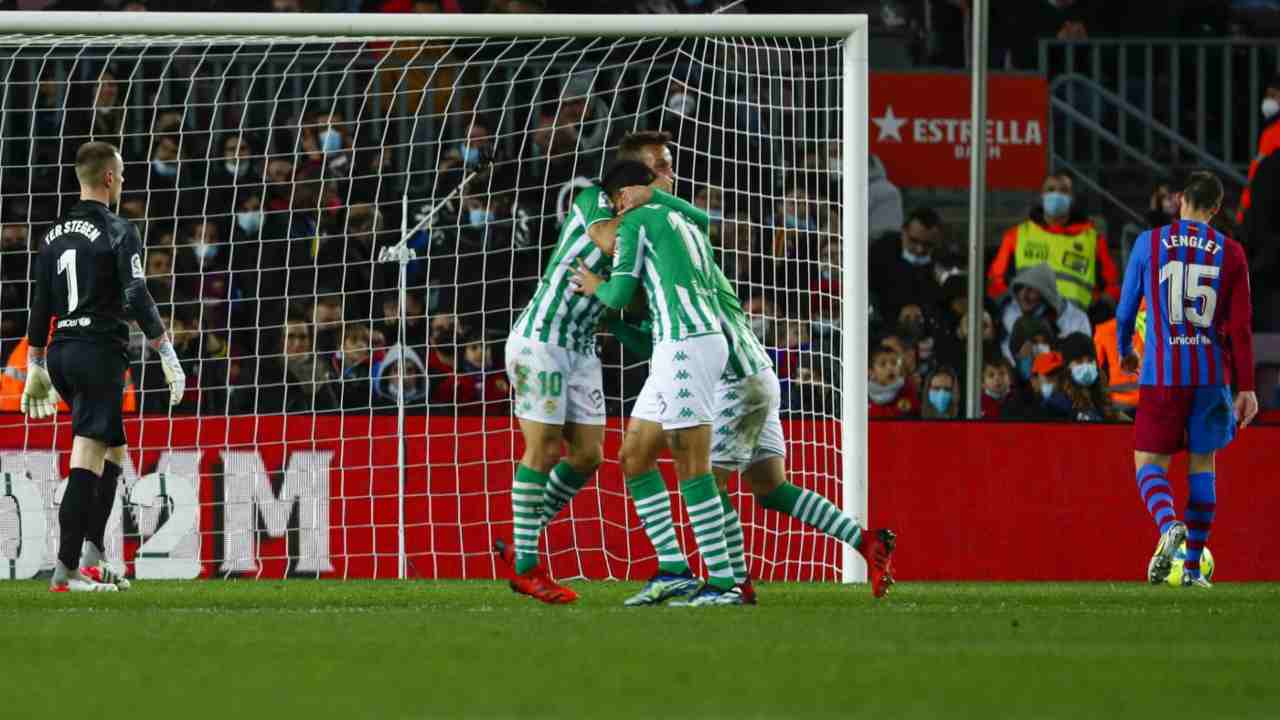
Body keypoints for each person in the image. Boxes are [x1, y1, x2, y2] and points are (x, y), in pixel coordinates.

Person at [597, 175, 896, 604]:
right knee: (771, 489)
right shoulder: (693, 267)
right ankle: (866, 540)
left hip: (734, 383)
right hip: (759, 376)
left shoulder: (679, 282)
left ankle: (732, 582)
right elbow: (653, 339)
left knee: (707, 483)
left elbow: (667, 330)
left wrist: (609, 295)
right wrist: (618, 325)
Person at [493, 131, 675, 604]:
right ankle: (528, 567)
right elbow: (606, 238)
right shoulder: (594, 199)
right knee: (545, 448)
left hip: (582, 346)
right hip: (543, 339)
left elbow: (626, 299)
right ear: (633, 177)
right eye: (660, 168)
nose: (670, 177)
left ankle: (520, 542)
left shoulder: (648, 222)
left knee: (588, 455)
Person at [20, 141, 185, 593]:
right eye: (124, 174)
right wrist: (166, 351)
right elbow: (135, 294)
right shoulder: (118, 228)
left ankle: (93, 556)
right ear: (109, 178)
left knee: (114, 451)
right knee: (88, 453)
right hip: (97, 350)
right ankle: (66, 570)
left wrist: (35, 362)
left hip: (61, 352)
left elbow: (39, 302)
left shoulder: (52, 233)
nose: (125, 181)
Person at [572, 160, 733, 606]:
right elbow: (706, 219)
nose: (615, 210)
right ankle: (675, 570)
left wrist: (593, 286)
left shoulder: (637, 222)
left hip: (686, 343)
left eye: (614, 202)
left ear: (623, 196)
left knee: (691, 461)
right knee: (635, 455)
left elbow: (620, 294)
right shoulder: (682, 216)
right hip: (677, 344)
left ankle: (724, 582)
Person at [1116, 171, 1258, 589]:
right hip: (1211, 376)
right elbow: (1241, 327)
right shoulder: (1231, 253)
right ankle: (1193, 569)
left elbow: (1126, 309)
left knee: (1148, 464)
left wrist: (1125, 348)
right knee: (1203, 466)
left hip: (1163, 373)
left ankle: (1168, 523)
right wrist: (1246, 386)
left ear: (1180, 200)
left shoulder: (1149, 243)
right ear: (1215, 209)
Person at [987, 172, 1120, 310]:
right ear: (1042, 196)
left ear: (1072, 198)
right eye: (1050, 190)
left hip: (1075, 323)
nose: (1056, 195)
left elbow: (1112, 286)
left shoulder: (1093, 240)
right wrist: (1010, 310)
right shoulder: (1017, 235)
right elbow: (995, 281)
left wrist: (1098, 311)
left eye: (1063, 190)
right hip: (1027, 322)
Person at [1236, 73, 1280, 330]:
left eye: (1275, 96)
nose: (1270, 101)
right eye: (1269, 95)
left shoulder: (1275, 132)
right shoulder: (1270, 131)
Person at [999, 262, 1092, 364]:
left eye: (1030, 289)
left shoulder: (1077, 319)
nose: (1023, 295)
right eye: (1020, 289)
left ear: (1046, 293)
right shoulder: (1010, 313)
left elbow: (1084, 359)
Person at [868, 206, 945, 325]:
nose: (920, 250)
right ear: (903, 232)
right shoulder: (879, 253)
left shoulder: (942, 261)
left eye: (928, 244)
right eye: (913, 241)